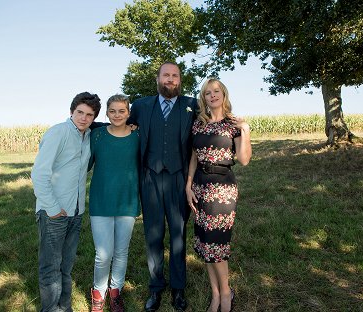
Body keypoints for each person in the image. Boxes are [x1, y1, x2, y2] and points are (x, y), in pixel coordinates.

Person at [127, 62, 198, 312]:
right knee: (153, 235)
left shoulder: (192, 105)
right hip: (150, 178)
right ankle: (156, 288)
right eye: (166, 75)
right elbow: (122, 128)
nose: (170, 79)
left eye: (175, 75)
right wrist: (89, 127)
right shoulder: (141, 105)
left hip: (179, 178)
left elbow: (213, 122)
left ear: (180, 80)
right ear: (157, 79)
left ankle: (178, 289)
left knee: (178, 234)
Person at [185, 78, 252, 312]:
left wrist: (245, 131)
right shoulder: (198, 125)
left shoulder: (233, 124)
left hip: (222, 188)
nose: (212, 95)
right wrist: (189, 185)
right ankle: (215, 293)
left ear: (223, 94)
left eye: (216, 91)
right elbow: (194, 156)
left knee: (217, 244)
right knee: (205, 243)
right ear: (203, 98)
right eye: (207, 93)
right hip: (200, 186)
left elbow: (243, 159)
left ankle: (226, 293)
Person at [31, 92, 101, 312]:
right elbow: (39, 174)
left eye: (89, 115)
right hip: (54, 213)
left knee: (66, 267)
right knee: (50, 267)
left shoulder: (88, 135)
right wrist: (52, 209)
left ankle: (65, 307)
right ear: (72, 111)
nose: (83, 118)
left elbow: (111, 123)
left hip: (76, 212)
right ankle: (50, 309)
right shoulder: (58, 133)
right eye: (80, 112)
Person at [88, 94, 141, 312]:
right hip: (101, 200)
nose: (117, 115)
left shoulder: (138, 136)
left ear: (128, 113)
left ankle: (115, 291)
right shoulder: (97, 136)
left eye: (122, 111)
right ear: (106, 113)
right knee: (103, 253)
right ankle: (98, 293)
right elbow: (84, 164)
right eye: (112, 111)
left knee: (121, 251)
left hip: (127, 200)